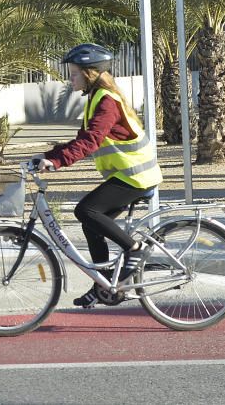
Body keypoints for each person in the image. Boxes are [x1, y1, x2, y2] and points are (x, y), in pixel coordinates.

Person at [31, 43, 162, 309]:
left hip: (136, 177)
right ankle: (103, 285)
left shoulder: (107, 102)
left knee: (87, 211)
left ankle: (134, 249)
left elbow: (91, 142)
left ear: (90, 73)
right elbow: (81, 139)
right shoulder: (96, 99)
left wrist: (56, 162)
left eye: (74, 73)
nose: (71, 78)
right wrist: (47, 155)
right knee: (91, 223)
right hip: (128, 176)